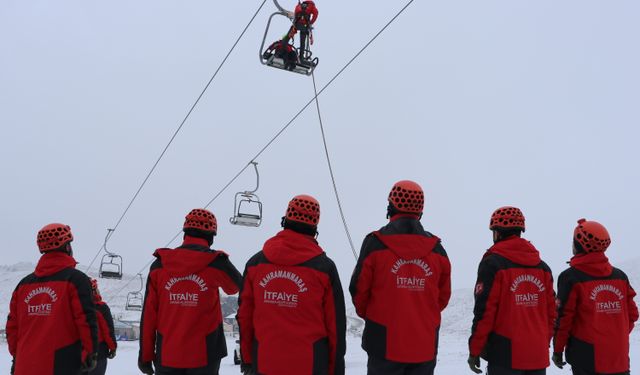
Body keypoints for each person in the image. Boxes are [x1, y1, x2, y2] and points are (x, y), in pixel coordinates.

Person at [350, 180, 451, 375]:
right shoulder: (437, 250)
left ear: (391, 206)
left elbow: (358, 290)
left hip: (383, 344)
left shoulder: (375, 244)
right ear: (420, 210)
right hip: (424, 344)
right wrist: (420, 313)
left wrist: (375, 316)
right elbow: (442, 297)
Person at [237, 194, 346, 375]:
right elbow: (335, 325)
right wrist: (335, 369)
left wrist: (248, 360)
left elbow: (244, 317)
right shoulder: (324, 268)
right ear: (314, 226)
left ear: (285, 220)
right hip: (311, 365)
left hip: (265, 363)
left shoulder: (256, 264)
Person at [138, 208, 243, 375]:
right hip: (206, 357)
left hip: (167, 356)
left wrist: (145, 356)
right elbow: (235, 287)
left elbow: (149, 315)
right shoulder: (216, 263)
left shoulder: (159, 265)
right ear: (211, 236)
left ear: (185, 232)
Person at [467, 207, 556, 375]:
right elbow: (551, 313)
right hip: (537, 355)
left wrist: (475, 349)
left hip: (504, 357)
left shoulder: (492, 264)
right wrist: (543, 342)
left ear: (497, 233)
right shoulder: (543, 268)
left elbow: (485, 312)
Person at [6, 223, 98, 375]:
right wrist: (91, 352)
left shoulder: (23, 285)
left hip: (25, 366)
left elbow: (12, 327)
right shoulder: (76, 280)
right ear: (67, 247)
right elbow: (86, 320)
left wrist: (18, 356)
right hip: (63, 365)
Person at [553, 219, 638, 375]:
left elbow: (564, 319)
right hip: (618, 359)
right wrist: (613, 337)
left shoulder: (571, 277)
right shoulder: (619, 277)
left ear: (578, 245)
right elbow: (633, 315)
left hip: (587, 359)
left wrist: (558, 350)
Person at [89, 279, 117, 375]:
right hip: (99, 352)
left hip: (79, 352)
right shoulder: (101, 307)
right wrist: (112, 347)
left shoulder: (75, 306)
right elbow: (108, 330)